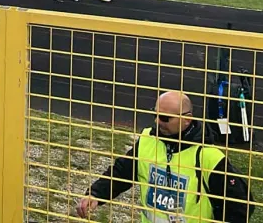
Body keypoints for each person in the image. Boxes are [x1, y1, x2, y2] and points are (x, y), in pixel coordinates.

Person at [75, 91, 251, 222]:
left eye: (165, 118)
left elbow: (241, 205)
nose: (158, 122)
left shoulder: (209, 157)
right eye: (156, 115)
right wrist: (96, 194)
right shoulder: (147, 140)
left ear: (187, 120)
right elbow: (122, 172)